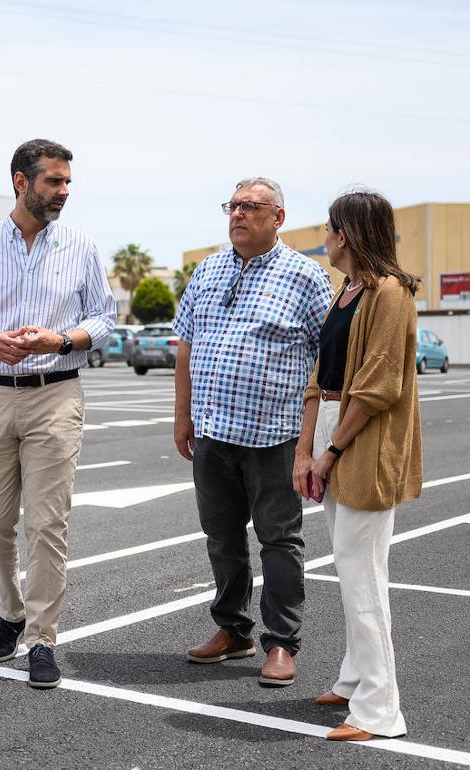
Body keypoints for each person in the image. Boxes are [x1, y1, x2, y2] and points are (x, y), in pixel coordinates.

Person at [0, 139, 116, 690]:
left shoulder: (81, 246)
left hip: (55, 396)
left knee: (46, 523)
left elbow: (104, 319)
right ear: (22, 182)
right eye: (53, 182)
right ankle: (11, 612)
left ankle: (41, 637)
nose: (63, 192)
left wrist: (60, 339)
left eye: (66, 183)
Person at [173, 177, 334, 687]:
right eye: (233, 206)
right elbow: (186, 344)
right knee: (221, 538)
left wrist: (310, 442)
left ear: (278, 217)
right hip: (214, 432)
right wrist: (182, 415)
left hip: (276, 437)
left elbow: (324, 364)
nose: (238, 214)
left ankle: (282, 642)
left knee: (279, 540)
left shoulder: (306, 277)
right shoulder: (209, 268)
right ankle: (233, 630)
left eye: (250, 207)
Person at [294, 189, 422, 741]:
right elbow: (321, 378)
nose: (322, 235)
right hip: (332, 432)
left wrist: (330, 451)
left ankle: (379, 709)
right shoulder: (345, 291)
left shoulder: (389, 293)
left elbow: (377, 389)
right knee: (352, 570)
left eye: (328, 227)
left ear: (346, 233)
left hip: (362, 442)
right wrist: (305, 450)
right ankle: (353, 680)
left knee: (362, 575)